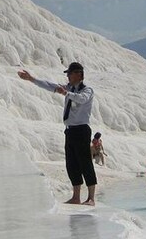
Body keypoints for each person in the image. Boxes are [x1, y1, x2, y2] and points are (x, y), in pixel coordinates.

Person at [18, 62, 97, 205]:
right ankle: (76, 196)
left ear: (78, 74)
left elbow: (81, 99)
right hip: (70, 130)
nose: (67, 76)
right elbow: (50, 85)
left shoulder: (87, 90)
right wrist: (32, 79)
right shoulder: (69, 88)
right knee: (72, 163)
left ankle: (91, 198)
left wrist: (67, 93)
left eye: (70, 73)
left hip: (82, 129)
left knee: (85, 162)